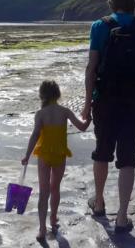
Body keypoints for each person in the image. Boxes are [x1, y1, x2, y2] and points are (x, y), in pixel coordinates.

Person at [80, 0, 135, 234]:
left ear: (111, 3)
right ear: (133, 4)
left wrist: (87, 102)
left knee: (102, 152)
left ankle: (99, 203)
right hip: (133, 100)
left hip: (105, 100)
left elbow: (92, 68)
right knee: (127, 158)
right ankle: (122, 216)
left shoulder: (100, 26)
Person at [22, 80, 92, 243]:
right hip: (59, 156)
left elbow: (35, 136)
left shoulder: (41, 114)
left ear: (42, 95)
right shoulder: (65, 111)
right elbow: (82, 127)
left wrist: (27, 155)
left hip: (45, 156)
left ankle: (41, 229)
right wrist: (89, 117)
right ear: (57, 93)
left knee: (44, 192)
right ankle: (53, 218)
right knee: (55, 189)